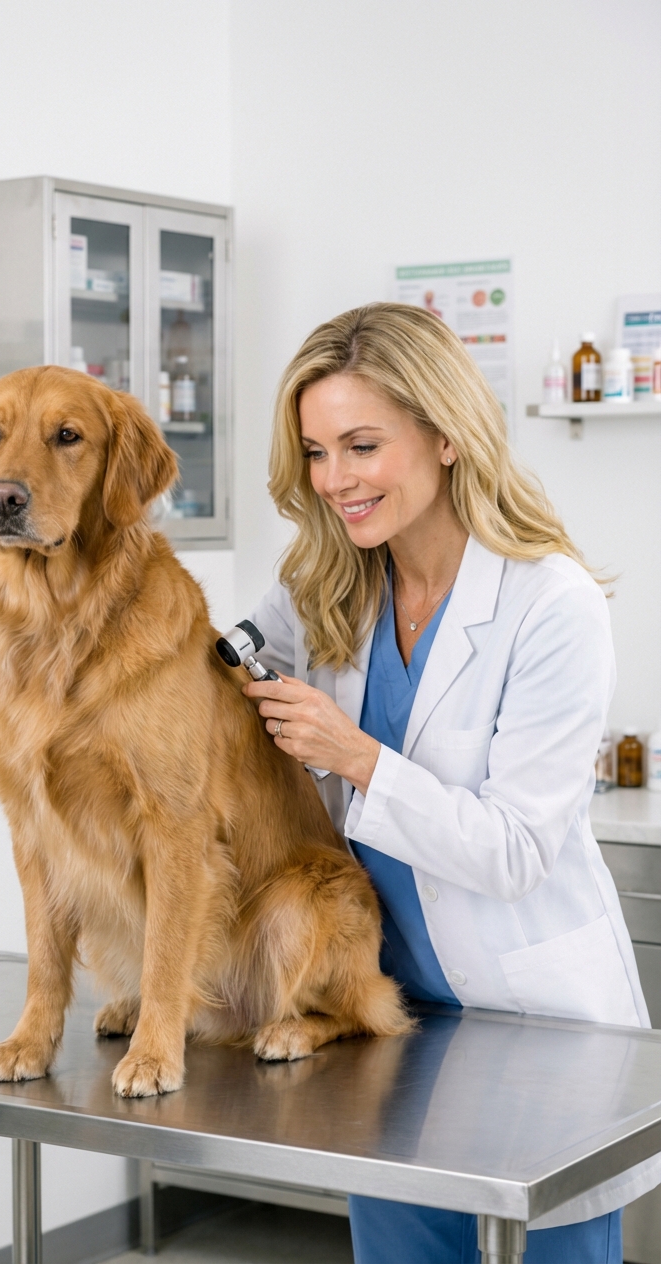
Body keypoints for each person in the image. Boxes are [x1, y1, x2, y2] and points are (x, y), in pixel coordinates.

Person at [245, 303, 655, 1264]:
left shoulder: (549, 602)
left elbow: (514, 852)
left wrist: (354, 757)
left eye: (361, 445)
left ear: (445, 435)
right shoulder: (323, 588)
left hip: (537, 1034)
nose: (335, 481)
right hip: (388, 1023)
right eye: (315, 452)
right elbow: (219, 669)